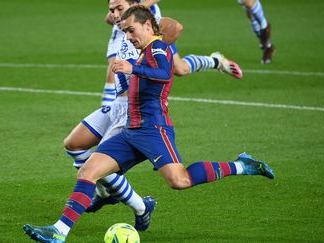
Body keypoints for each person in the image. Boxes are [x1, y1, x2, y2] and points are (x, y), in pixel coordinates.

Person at [24, 5, 273, 243]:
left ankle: (242, 165)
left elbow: (164, 74)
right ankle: (58, 232)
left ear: (147, 26)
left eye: (131, 30)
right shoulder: (144, 51)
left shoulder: (158, 48)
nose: (128, 36)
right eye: (125, 32)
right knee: (88, 171)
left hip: (154, 129)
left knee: (180, 181)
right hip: (130, 130)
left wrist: (132, 68)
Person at [63, 0, 243, 233]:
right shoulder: (123, 24)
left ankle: (215, 61)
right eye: (111, 9)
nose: (114, 14)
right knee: (74, 145)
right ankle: (124, 199)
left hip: (135, 110)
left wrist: (152, 33)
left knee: (101, 168)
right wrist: (116, 17)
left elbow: (174, 30)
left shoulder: (146, 23)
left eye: (118, 8)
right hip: (118, 104)